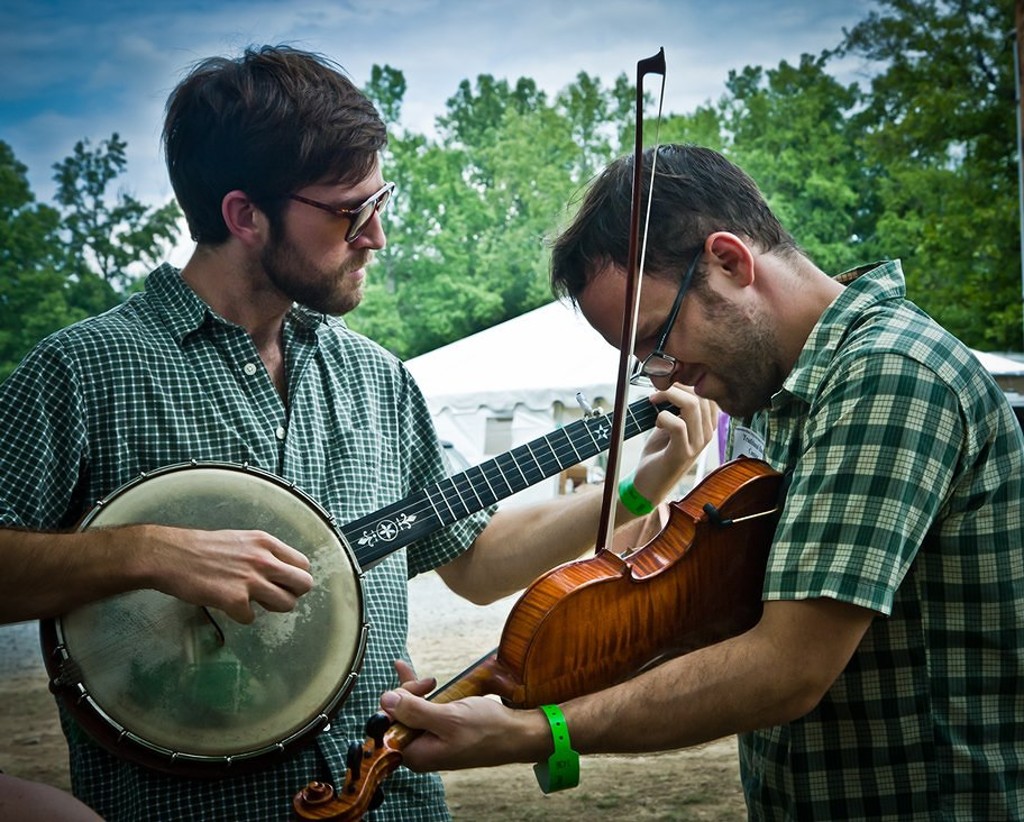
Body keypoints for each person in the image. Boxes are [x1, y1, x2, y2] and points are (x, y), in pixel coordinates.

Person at [0, 49, 716, 821]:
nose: (376, 235)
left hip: (387, 799)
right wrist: (146, 551)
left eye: (381, 200)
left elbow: (473, 563)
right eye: (350, 211)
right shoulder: (83, 371)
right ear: (244, 215)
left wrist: (639, 482)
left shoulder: (377, 377)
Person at [378, 144, 1024, 820]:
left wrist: (543, 730)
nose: (665, 377)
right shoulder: (773, 396)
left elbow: (785, 668)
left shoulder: (889, 375)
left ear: (730, 262)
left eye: (659, 339)